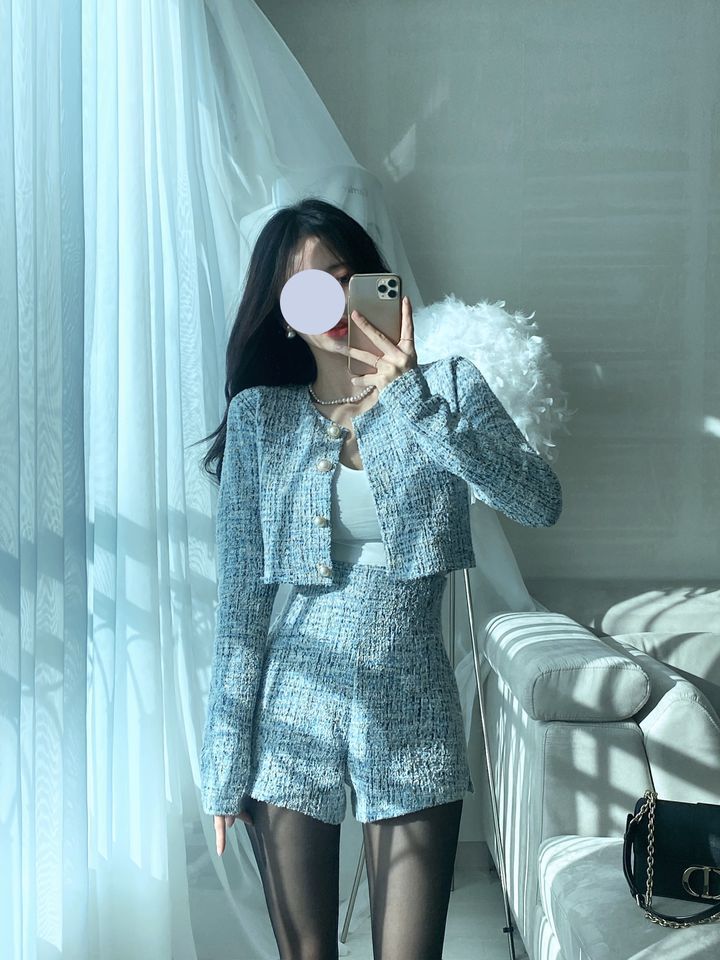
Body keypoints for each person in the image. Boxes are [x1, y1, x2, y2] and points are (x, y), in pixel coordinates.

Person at [198, 197, 563, 960]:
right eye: (306, 290)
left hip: (413, 703)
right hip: (292, 709)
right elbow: (240, 607)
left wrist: (410, 398)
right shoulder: (262, 417)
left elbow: (538, 501)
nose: (332, 304)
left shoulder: (449, 387)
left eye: (344, 279)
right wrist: (224, 766)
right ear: (282, 313)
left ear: (378, 284)